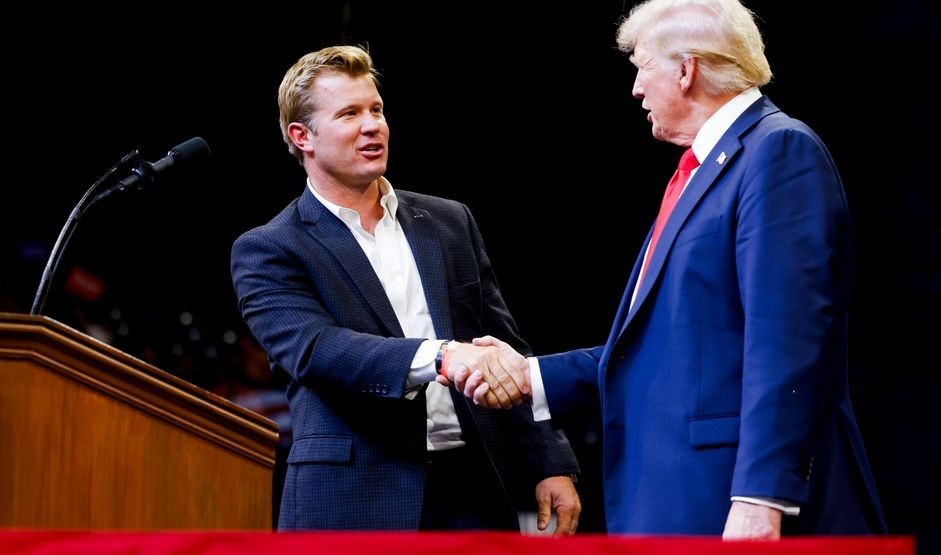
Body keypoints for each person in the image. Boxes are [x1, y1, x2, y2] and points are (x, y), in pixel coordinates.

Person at [448, 0, 887, 539]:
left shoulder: (778, 151)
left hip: (732, 501)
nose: (635, 89)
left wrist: (762, 496)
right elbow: (657, 351)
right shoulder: (704, 171)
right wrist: (529, 375)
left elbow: (788, 340)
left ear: (686, 70)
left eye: (642, 67)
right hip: (678, 496)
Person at [230, 45, 580, 533]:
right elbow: (317, 350)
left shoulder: (448, 221)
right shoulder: (269, 248)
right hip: (352, 500)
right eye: (350, 114)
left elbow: (505, 348)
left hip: (474, 492)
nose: (373, 125)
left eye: (376, 109)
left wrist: (548, 459)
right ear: (302, 136)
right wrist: (440, 357)